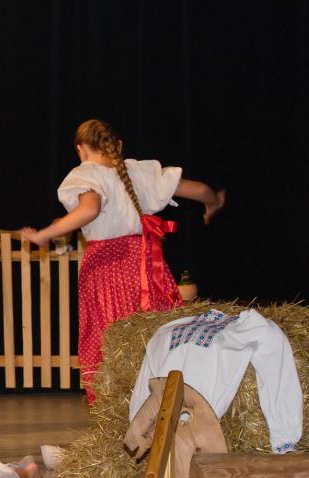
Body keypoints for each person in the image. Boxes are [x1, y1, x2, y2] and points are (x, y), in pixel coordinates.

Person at [22, 119, 225, 401]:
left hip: (107, 268)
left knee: (110, 340)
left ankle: (118, 405)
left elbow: (90, 210)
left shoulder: (86, 173)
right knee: (151, 335)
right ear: (118, 146)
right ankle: (162, 399)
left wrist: (44, 234)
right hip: (145, 265)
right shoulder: (138, 172)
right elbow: (201, 190)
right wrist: (213, 204)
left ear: (80, 149)